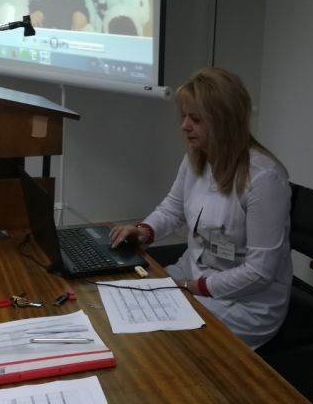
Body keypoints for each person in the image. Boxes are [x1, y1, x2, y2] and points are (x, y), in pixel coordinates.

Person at [109, 67, 292, 349]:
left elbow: (258, 273)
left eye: (195, 119)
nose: (184, 126)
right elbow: (172, 209)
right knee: (128, 299)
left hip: (247, 301)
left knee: (159, 334)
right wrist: (144, 231)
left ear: (224, 121)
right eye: (184, 116)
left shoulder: (264, 179)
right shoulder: (197, 158)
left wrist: (193, 288)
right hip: (197, 270)